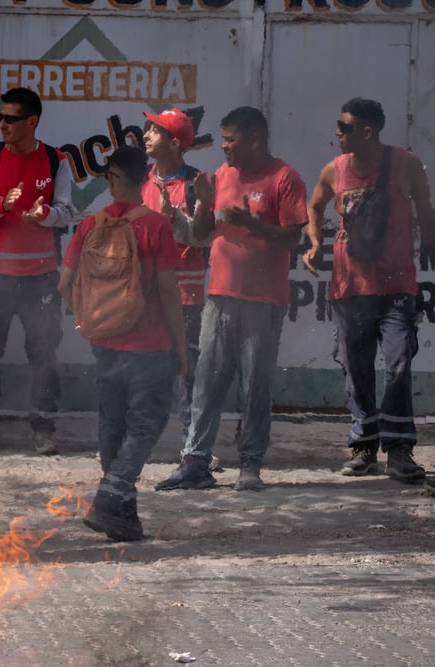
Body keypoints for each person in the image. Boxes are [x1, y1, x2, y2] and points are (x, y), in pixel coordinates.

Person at [156, 106, 307, 492]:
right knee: (205, 380)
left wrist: (252, 223)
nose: (224, 148)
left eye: (231, 140)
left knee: (255, 384)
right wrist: (204, 202)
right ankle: (195, 462)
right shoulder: (221, 175)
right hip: (220, 295)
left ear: (255, 139)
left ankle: (250, 465)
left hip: (263, 300)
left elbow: (293, 238)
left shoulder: (284, 177)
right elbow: (203, 232)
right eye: (223, 140)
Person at [303, 97, 435, 486]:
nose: (337, 134)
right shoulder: (334, 170)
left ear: (367, 131)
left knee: (397, 364)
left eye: (343, 128)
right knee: (356, 369)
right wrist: (314, 245)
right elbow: (314, 207)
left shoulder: (406, 163)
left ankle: (399, 449)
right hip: (349, 288)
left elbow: (426, 211)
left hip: (397, 286)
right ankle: (364, 446)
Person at [60, 147, 186, 542]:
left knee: (112, 424)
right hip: (149, 345)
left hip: (105, 342)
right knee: (146, 424)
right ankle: (109, 497)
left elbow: (65, 285)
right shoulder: (155, 225)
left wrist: (89, 321)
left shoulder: (89, 224)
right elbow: (168, 291)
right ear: (146, 177)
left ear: (110, 179)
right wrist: (182, 349)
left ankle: (122, 518)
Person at [0, 87, 79, 456]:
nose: (2, 124)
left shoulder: (55, 160)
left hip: (39, 277)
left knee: (44, 353)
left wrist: (44, 215)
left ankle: (43, 427)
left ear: (32, 121)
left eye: (11, 119)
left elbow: (67, 212)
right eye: (0, 117)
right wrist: (0, 205)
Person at [141, 108, 211, 445]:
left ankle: (192, 443)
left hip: (186, 294)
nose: (145, 136)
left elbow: (204, 238)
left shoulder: (198, 183)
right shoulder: (140, 180)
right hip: (145, 293)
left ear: (174, 143)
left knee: (188, 370)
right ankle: (140, 437)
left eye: (154, 131)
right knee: (143, 364)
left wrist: (172, 220)